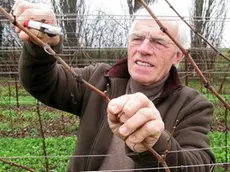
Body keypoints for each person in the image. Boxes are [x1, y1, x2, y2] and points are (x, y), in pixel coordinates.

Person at [13, 0, 215, 171]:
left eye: (158, 42)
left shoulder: (192, 105)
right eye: (137, 38)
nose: (143, 49)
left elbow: (200, 164)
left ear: (178, 55)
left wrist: (156, 142)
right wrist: (41, 46)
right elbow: (42, 83)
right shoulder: (99, 79)